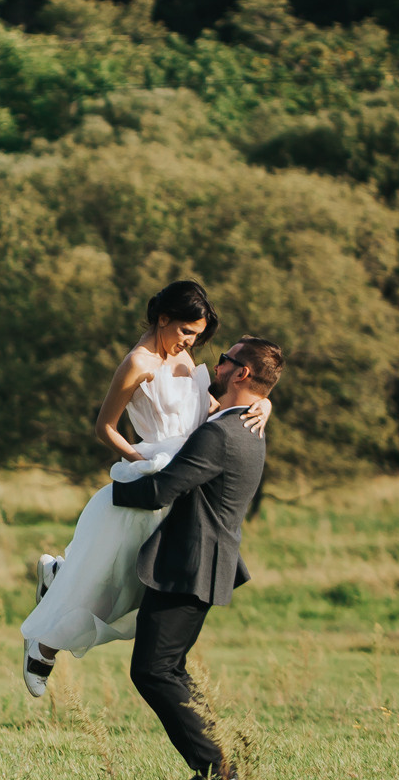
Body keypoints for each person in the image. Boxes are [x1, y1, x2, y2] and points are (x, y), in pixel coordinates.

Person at [18, 281, 266, 696]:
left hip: (183, 483)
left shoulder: (185, 361)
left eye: (197, 335)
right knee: (108, 586)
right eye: (185, 331)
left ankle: (57, 575)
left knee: (135, 588)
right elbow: (105, 428)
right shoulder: (137, 363)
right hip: (151, 475)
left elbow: (210, 414)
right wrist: (142, 461)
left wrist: (264, 402)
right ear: (163, 319)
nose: (190, 342)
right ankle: (41, 647)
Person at [110, 335, 283, 780]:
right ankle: (220, 768)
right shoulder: (243, 424)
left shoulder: (221, 433)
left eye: (225, 359)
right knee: (171, 669)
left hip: (189, 562)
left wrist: (111, 490)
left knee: (153, 670)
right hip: (202, 561)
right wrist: (269, 405)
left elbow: (161, 491)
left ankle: (218, 774)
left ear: (242, 373)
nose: (216, 364)